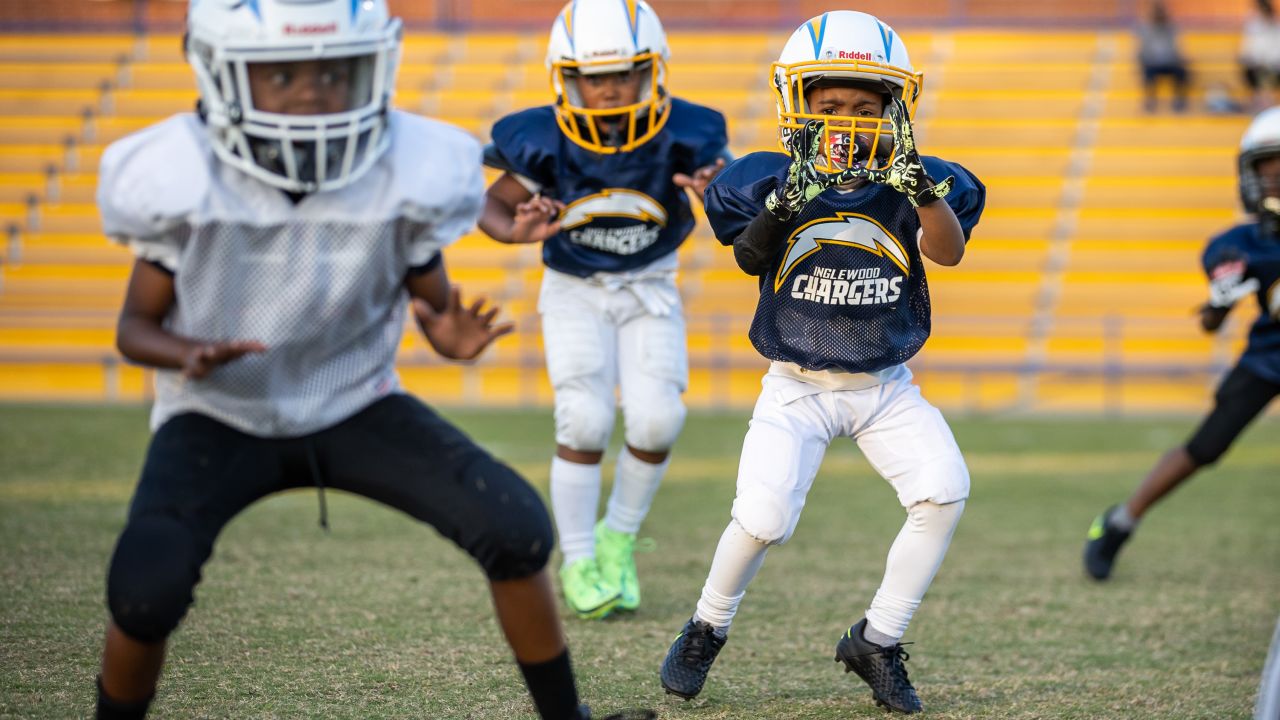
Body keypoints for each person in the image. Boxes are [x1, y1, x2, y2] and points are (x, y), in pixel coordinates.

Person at [92, 2, 639, 719]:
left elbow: (433, 301)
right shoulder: (181, 174)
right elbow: (134, 326)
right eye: (282, 74)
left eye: (332, 70)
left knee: (516, 528)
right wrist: (188, 351)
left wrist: (449, 334)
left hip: (355, 400)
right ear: (222, 76)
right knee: (144, 588)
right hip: (219, 412)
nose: (313, 90)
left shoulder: (406, 169)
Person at [657, 11, 985, 715]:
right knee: (764, 515)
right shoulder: (766, 179)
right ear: (797, 106)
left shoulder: (918, 180)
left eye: (866, 109)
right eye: (830, 107)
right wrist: (784, 203)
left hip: (884, 385)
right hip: (797, 383)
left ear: (897, 112)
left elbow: (949, 251)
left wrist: (921, 188)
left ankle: (878, 639)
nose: (847, 121)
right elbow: (747, 256)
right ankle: (706, 627)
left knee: (943, 489)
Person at [478, 0, 729, 620]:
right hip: (575, 289)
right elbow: (490, 204)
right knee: (585, 420)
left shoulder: (689, 131)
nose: (610, 87)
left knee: (656, 421)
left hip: (650, 283)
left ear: (652, 70)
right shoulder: (538, 137)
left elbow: (732, 201)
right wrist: (515, 233)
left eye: (623, 72)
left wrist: (715, 193)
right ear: (568, 79)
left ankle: (619, 537)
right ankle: (581, 557)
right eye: (595, 76)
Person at [1083, 106, 1280, 582]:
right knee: (1206, 445)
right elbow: (1214, 321)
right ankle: (1119, 522)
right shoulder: (1242, 243)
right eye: (1267, 172)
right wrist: (1218, 303)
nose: (1273, 182)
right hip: (1270, 357)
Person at [1137, 1, 1190, 113]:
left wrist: (1177, 59)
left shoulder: (1171, 29)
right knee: (1147, 72)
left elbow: (1176, 49)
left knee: (1182, 71)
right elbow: (1142, 51)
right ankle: (1150, 98)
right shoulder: (1146, 29)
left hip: (1170, 63)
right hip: (1152, 64)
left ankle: (1178, 98)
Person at [1241, 0, 1280, 111]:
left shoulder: (1276, 27)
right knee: (1254, 71)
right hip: (1256, 65)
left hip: (1273, 66)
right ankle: (1260, 100)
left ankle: (1266, 100)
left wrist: (1269, 62)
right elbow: (1248, 50)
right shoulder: (1252, 26)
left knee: (1267, 74)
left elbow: (1277, 50)